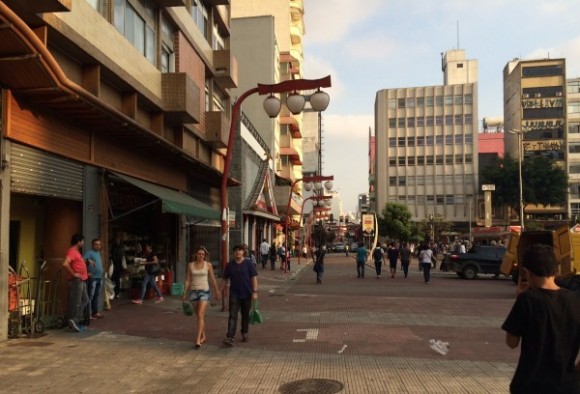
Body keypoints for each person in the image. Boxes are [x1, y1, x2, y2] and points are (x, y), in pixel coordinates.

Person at [502, 244, 580, 394]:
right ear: (556, 270)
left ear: (527, 272)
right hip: (566, 386)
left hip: (530, 385)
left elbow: (511, 342)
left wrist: (519, 300)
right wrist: (574, 375)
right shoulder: (576, 301)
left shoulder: (527, 300)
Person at [220, 244, 258, 347]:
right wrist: (220, 291)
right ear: (233, 253)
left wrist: (254, 292)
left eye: (240, 250)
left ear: (243, 252)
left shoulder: (248, 264)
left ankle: (244, 332)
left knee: (245, 315)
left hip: (247, 294)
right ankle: (230, 337)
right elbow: (224, 279)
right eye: (235, 250)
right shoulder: (230, 265)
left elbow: (254, 278)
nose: (238, 252)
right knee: (232, 316)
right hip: (234, 294)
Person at [182, 246, 220, 348]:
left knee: (200, 314)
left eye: (203, 254)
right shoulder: (191, 265)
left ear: (205, 256)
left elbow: (212, 278)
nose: (201, 256)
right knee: (199, 316)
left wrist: (217, 291)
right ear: (196, 255)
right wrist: (184, 292)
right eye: (199, 254)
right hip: (193, 292)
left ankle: (198, 339)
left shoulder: (208, 265)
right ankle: (203, 335)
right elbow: (187, 280)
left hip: (204, 291)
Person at [62, 233, 89, 332]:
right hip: (76, 281)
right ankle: (73, 320)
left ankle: (74, 320)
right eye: (82, 241)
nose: (83, 243)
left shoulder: (76, 252)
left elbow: (78, 264)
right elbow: (65, 264)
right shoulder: (72, 251)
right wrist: (74, 274)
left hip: (81, 280)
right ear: (78, 242)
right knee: (76, 302)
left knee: (85, 300)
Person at [84, 238, 104, 319]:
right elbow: (83, 260)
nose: (98, 246)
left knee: (96, 295)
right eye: (96, 244)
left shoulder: (98, 253)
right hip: (93, 278)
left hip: (99, 277)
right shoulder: (89, 252)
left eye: (99, 244)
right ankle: (87, 314)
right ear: (92, 245)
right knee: (90, 296)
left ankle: (95, 312)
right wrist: (87, 272)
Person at [109, 232, 125, 299]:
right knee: (114, 279)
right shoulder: (117, 247)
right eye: (117, 239)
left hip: (117, 265)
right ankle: (114, 293)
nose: (117, 240)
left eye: (118, 239)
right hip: (115, 265)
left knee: (115, 279)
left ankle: (115, 293)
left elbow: (122, 256)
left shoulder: (118, 247)